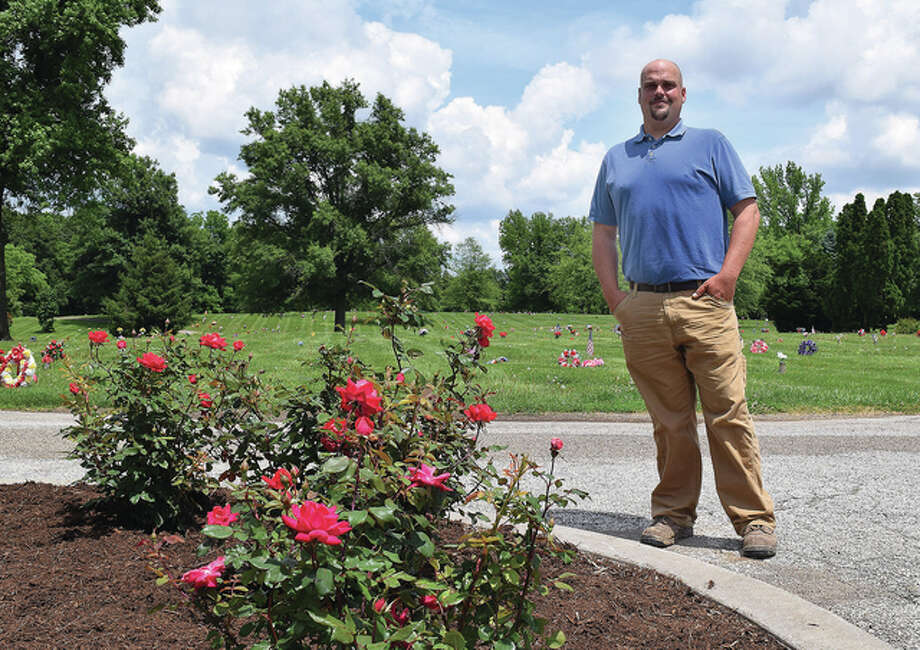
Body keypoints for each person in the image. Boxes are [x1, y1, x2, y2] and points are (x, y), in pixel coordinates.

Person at [589, 59, 776, 559]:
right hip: (643, 304)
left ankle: (754, 520)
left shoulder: (710, 143)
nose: (659, 92)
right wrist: (617, 302)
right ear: (638, 95)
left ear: (683, 93)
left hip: (704, 301)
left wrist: (728, 277)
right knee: (669, 421)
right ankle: (673, 515)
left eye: (667, 84)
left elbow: (748, 210)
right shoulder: (616, 158)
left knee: (727, 413)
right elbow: (603, 236)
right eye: (650, 85)